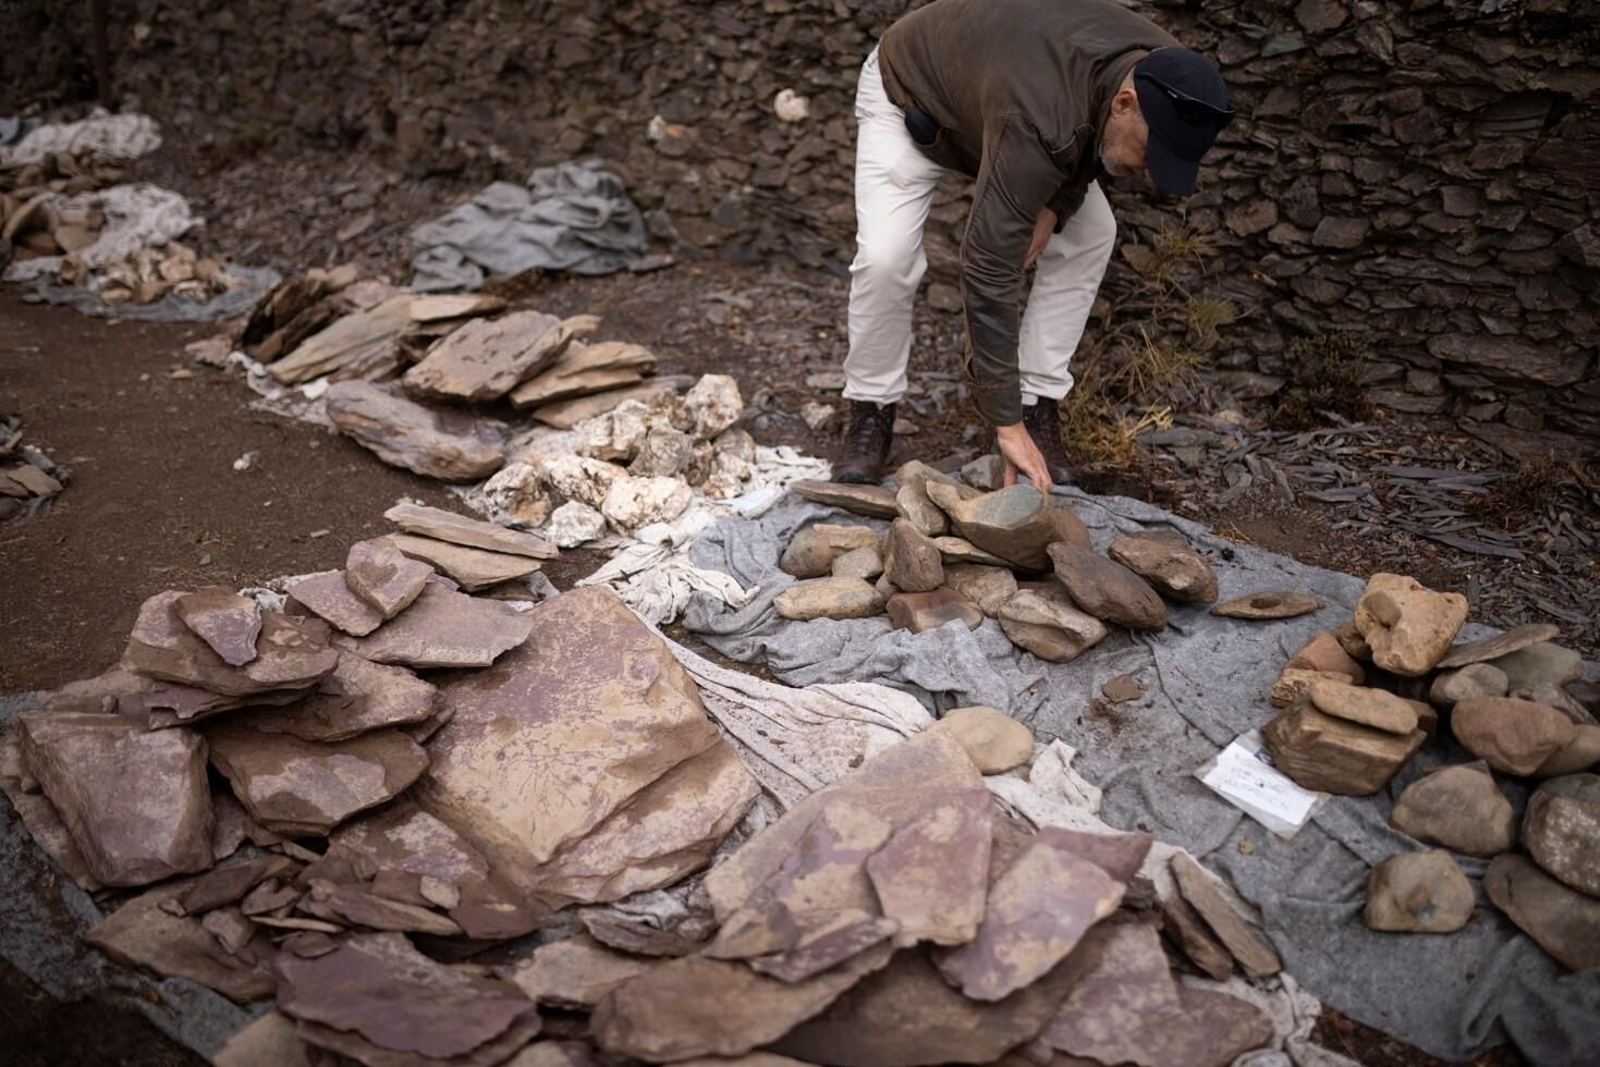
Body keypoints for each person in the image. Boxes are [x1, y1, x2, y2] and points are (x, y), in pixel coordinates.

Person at [834, 0, 1235, 488]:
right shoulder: (1040, 115)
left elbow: (1087, 130)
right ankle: (871, 407)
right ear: (1125, 104)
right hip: (915, 101)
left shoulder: (1166, 73)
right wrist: (1005, 427)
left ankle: (1036, 399)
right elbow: (987, 265)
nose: (1152, 173)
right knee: (885, 257)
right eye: (1153, 153)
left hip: (1003, 102)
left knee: (1093, 234)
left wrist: (1057, 203)